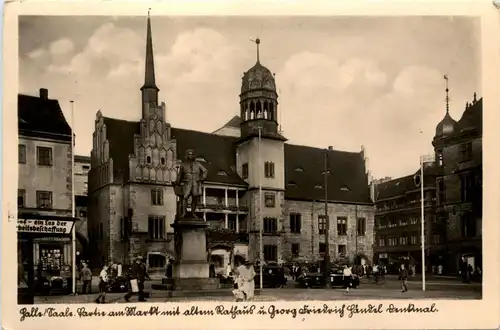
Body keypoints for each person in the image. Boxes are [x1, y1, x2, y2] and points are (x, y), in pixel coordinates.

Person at [175, 149, 208, 218]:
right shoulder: (183, 164)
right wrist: (178, 182)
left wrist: (202, 178)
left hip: (195, 183)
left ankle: (193, 213)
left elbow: (205, 171)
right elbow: (180, 175)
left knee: (194, 198)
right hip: (187, 183)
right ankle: (184, 213)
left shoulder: (198, 164)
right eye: (189, 154)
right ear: (187, 155)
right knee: (185, 197)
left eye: (192, 154)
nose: (191, 156)